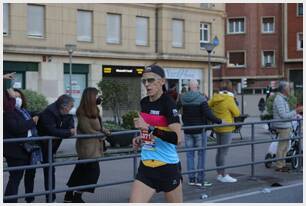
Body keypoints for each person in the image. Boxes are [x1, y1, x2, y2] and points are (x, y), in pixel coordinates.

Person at [130, 64, 183, 203]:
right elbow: (149, 135)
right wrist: (141, 138)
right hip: (146, 166)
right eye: (144, 81)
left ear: (162, 82)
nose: (147, 85)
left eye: (151, 80)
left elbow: (177, 139)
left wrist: (150, 128)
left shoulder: (168, 103)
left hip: (167, 167)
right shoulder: (144, 102)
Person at [64, 88, 111, 203]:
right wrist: (101, 135)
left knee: (80, 172)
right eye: (97, 96)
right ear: (90, 97)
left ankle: (69, 196)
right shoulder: (82, 112)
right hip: (87, 148)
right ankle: (77, 196)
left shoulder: (94, 109)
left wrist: (104, 130)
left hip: (94, 147)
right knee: (93, 173)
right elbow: (87, 130)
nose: (99, 98)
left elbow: (98, 126)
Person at [181, 80, 222, 187]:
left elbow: (176, 110)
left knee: (190, 155)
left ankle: (191, 179)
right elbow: (208, 114)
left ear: (189, 87)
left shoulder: (182, 98)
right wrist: (219, 121)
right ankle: (200, 180)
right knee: (201, 155)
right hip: (200, 130)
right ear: (197, 87)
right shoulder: (201, 98)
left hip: (187, 130)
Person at [37, 94, 76, 202]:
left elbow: (70, 121)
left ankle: (50, 197)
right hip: (42, 146)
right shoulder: (49, 112)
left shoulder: (64, 112)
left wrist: (69, 129)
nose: (72, 108)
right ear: (64, 105)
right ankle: (37, 199)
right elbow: (52, 131)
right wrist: (68, 132)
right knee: (37, 172)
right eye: (70, 106)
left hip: (51, 146)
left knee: (50, 171)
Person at [3, 89, 40, 203]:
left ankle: (29, 199)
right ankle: (10, 201)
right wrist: (32, 122)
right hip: (15, 150)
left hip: (27, 148)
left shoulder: (23, 111)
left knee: (27, 175)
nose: (17, 99)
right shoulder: (8, 112)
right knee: (15, 178)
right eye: (14, 97)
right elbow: (17, 128)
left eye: (19, 97)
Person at [208, 80, 240, 183]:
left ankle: (219, 174)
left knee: (219, 151)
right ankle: (223, 175)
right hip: (227, 128)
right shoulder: (229, 98)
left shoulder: (215, 97)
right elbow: (237, 113)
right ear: (230, 88)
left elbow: (208, 105)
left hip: (217, 127)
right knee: (223, 152)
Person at [272, 81, 303, 172]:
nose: (290, 90)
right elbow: (283, 115)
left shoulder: (282, 98)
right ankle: (279, 166)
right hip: (283, 126)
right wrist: (296, 111)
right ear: (284, 89)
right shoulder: (279, 99)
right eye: (289, 88)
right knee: (282, 146)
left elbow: (285, 114)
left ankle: (282, 164)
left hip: (285, 125)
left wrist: (295, 114)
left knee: (285, 146)